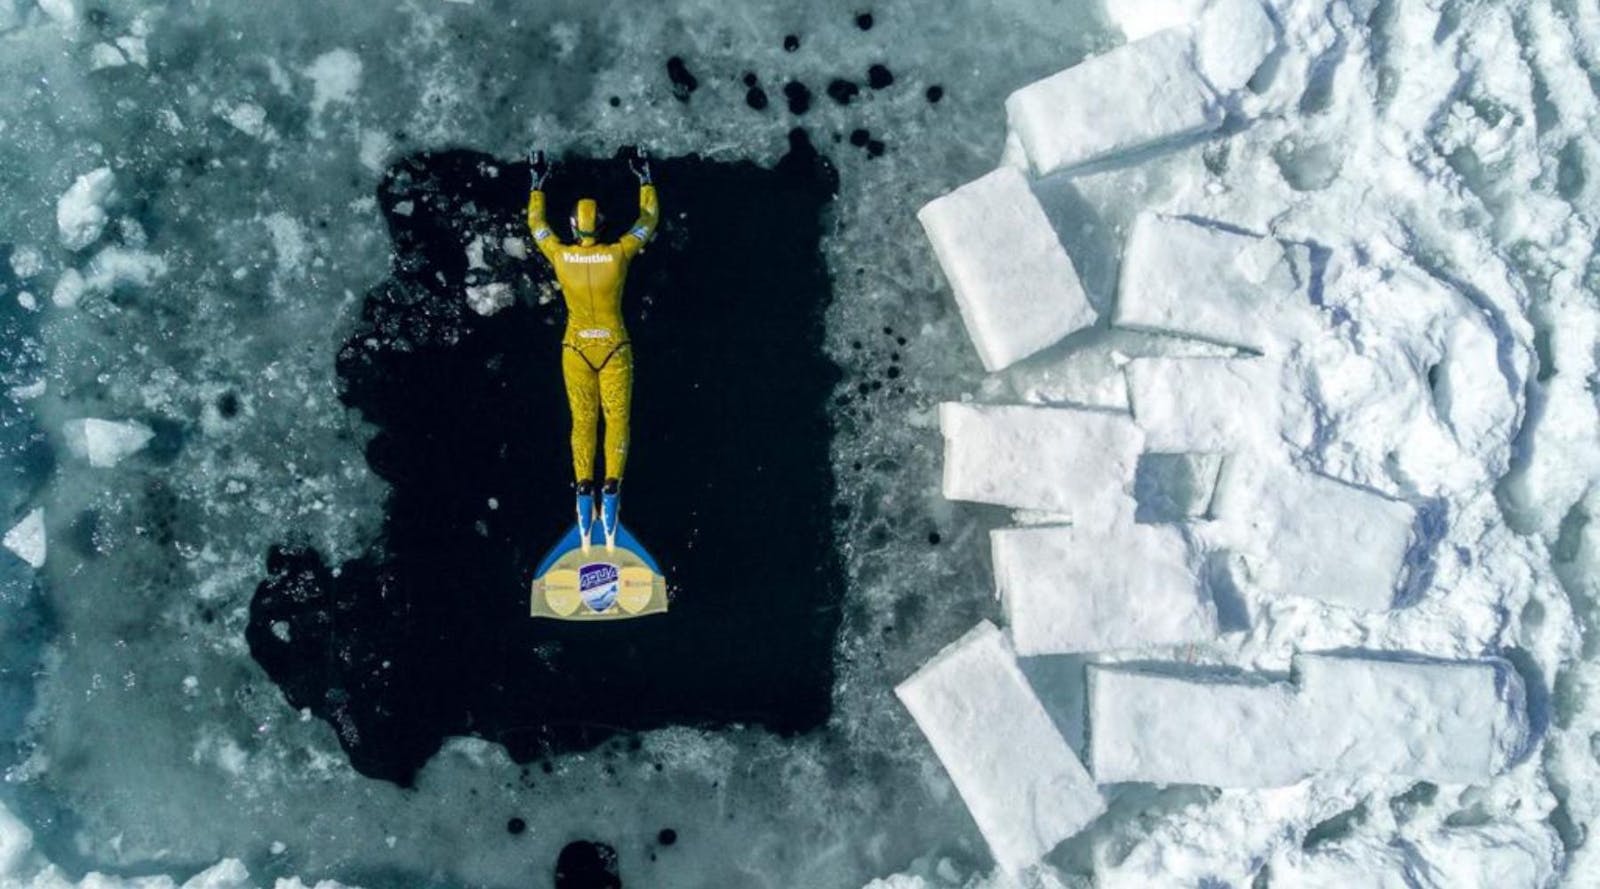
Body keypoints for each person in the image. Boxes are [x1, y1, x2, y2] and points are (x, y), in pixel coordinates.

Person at [525, 148, 659, 547]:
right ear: (600, 226)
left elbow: (536, 226)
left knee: (583, 423)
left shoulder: (561, 254)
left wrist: (537, 182)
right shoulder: (618, 253)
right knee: (616, 421)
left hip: (576, 348)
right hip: (614, 346)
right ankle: (612, 493)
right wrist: (645, 178)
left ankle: (584, 493)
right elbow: (647, 222)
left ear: (573, 226)